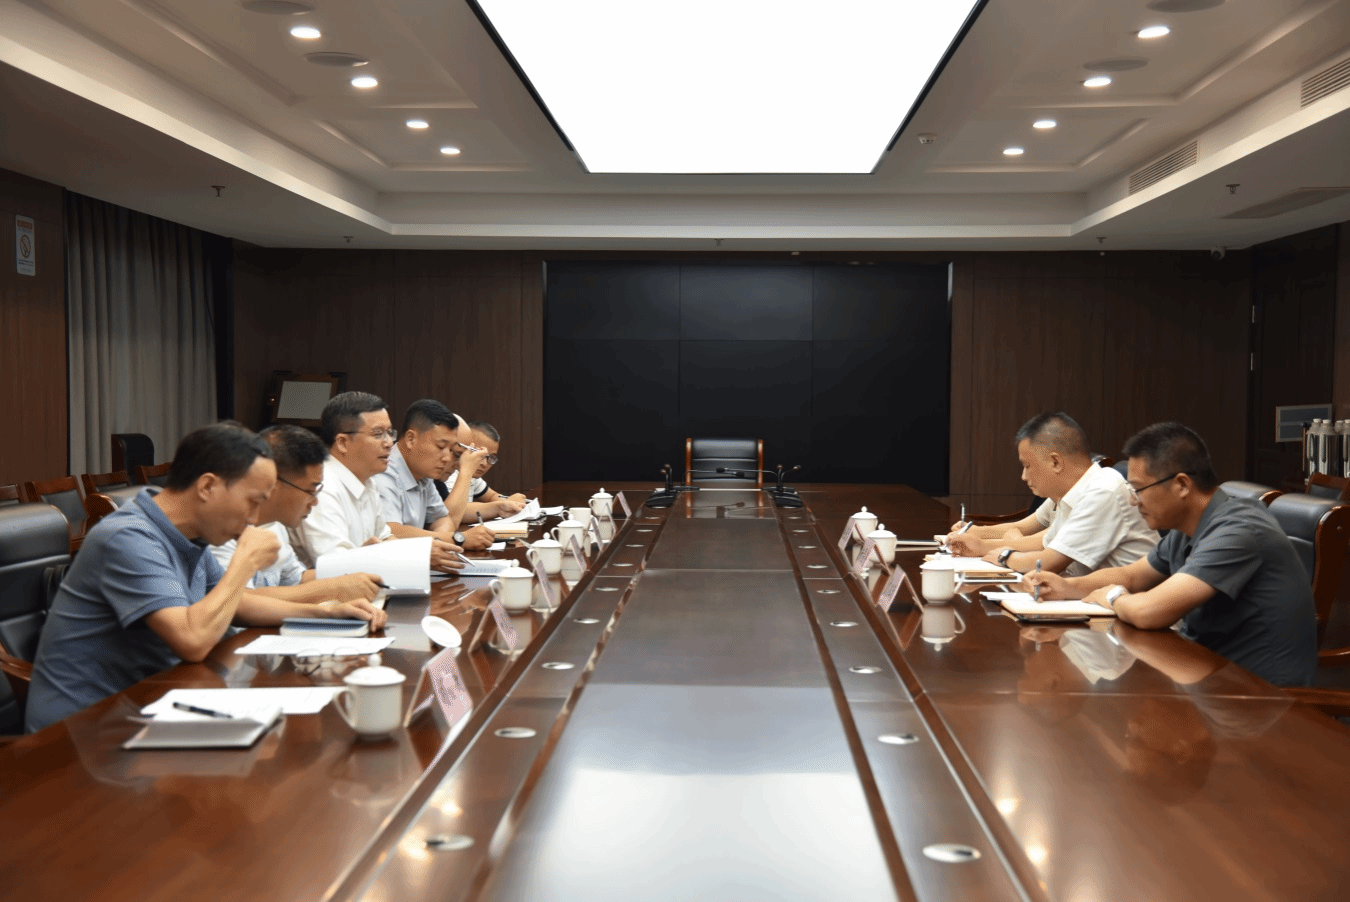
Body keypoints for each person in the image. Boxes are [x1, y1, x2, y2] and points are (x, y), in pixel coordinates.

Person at [25, 422, 387, 732]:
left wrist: (325, 612)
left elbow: (238, 604)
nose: (254, 518)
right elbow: (192, 640)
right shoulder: (128, 537)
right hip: (82, 729)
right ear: (207, 487)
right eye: (252, 501)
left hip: (149, 701)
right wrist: (244, 561)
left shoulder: (190, 532)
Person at [1026, 421, 1317, 687]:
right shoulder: (1186, 527)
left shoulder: (1239, 529)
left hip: (1260, 701)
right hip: (1208, 680)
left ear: (1181, 485)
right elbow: (1132, 575)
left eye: (1138, 489)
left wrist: (1113, 597)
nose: (1133, 501)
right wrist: (1066, 587)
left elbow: (1149, 611)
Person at [947, 412, 1157, 575]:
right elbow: (1043, 545)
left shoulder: (1102, 491)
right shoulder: (1072, 493)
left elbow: (1046, 562)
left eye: (1027, 466)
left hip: (1119, 609)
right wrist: (979, 542)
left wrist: (997, 553)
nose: (1023, 476)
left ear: (1055, 462)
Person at [289, 392, 463, 574]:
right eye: (378, 434)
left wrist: (421, 552)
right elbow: (336, 568)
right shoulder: (322, 488)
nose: (388, 443)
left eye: (389, 433)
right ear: (342, 443)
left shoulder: (368, 482)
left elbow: (385, 538)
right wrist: (415, 555)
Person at [211, 424, 383, 602]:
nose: (315, 501)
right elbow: (240, 600)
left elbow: (297, 579)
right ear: (273, 482)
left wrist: (357, 566)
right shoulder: (223, 531)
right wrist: (333, 590)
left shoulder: (276, 526)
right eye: (311, 490)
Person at [372, 399, 493, 560]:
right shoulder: (383, 472)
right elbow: (390, 531)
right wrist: (457, 539)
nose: (447, 457)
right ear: (411, 439)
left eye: (451, 450)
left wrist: (440, 542)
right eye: (441, 447)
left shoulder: (423, 475)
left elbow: (443, 519)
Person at [456, 420, 529, 522]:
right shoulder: (450, 474)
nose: (484, 463)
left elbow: (491, 496)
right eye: (477, 452)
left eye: (490, 457)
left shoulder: (473, 476)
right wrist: (499, 507)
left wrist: (509, 502)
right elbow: (456, 510)